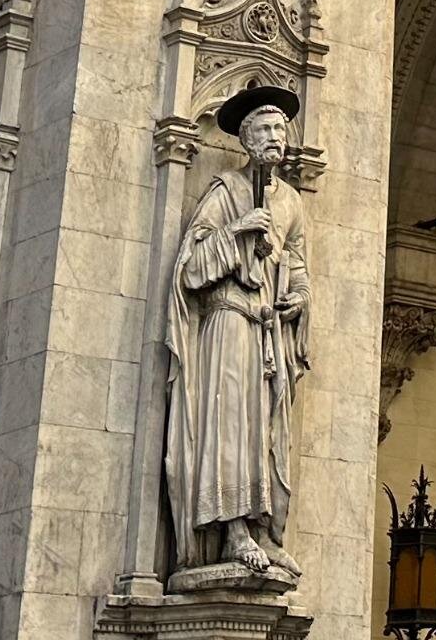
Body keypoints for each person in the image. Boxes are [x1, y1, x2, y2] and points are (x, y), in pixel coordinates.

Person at [167, 85, 312, 580]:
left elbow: (298, 266)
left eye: (281, 130)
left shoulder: (291, 202)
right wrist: (237, 232)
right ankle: (231, 531)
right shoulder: (225, 192)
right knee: (231, 423)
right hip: (228, 321)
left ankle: (265, 532)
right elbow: (191, 269)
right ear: (247, 140)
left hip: (270, 330)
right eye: (266, 129)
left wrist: (299, 298)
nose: (276, 137)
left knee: (268, 430)